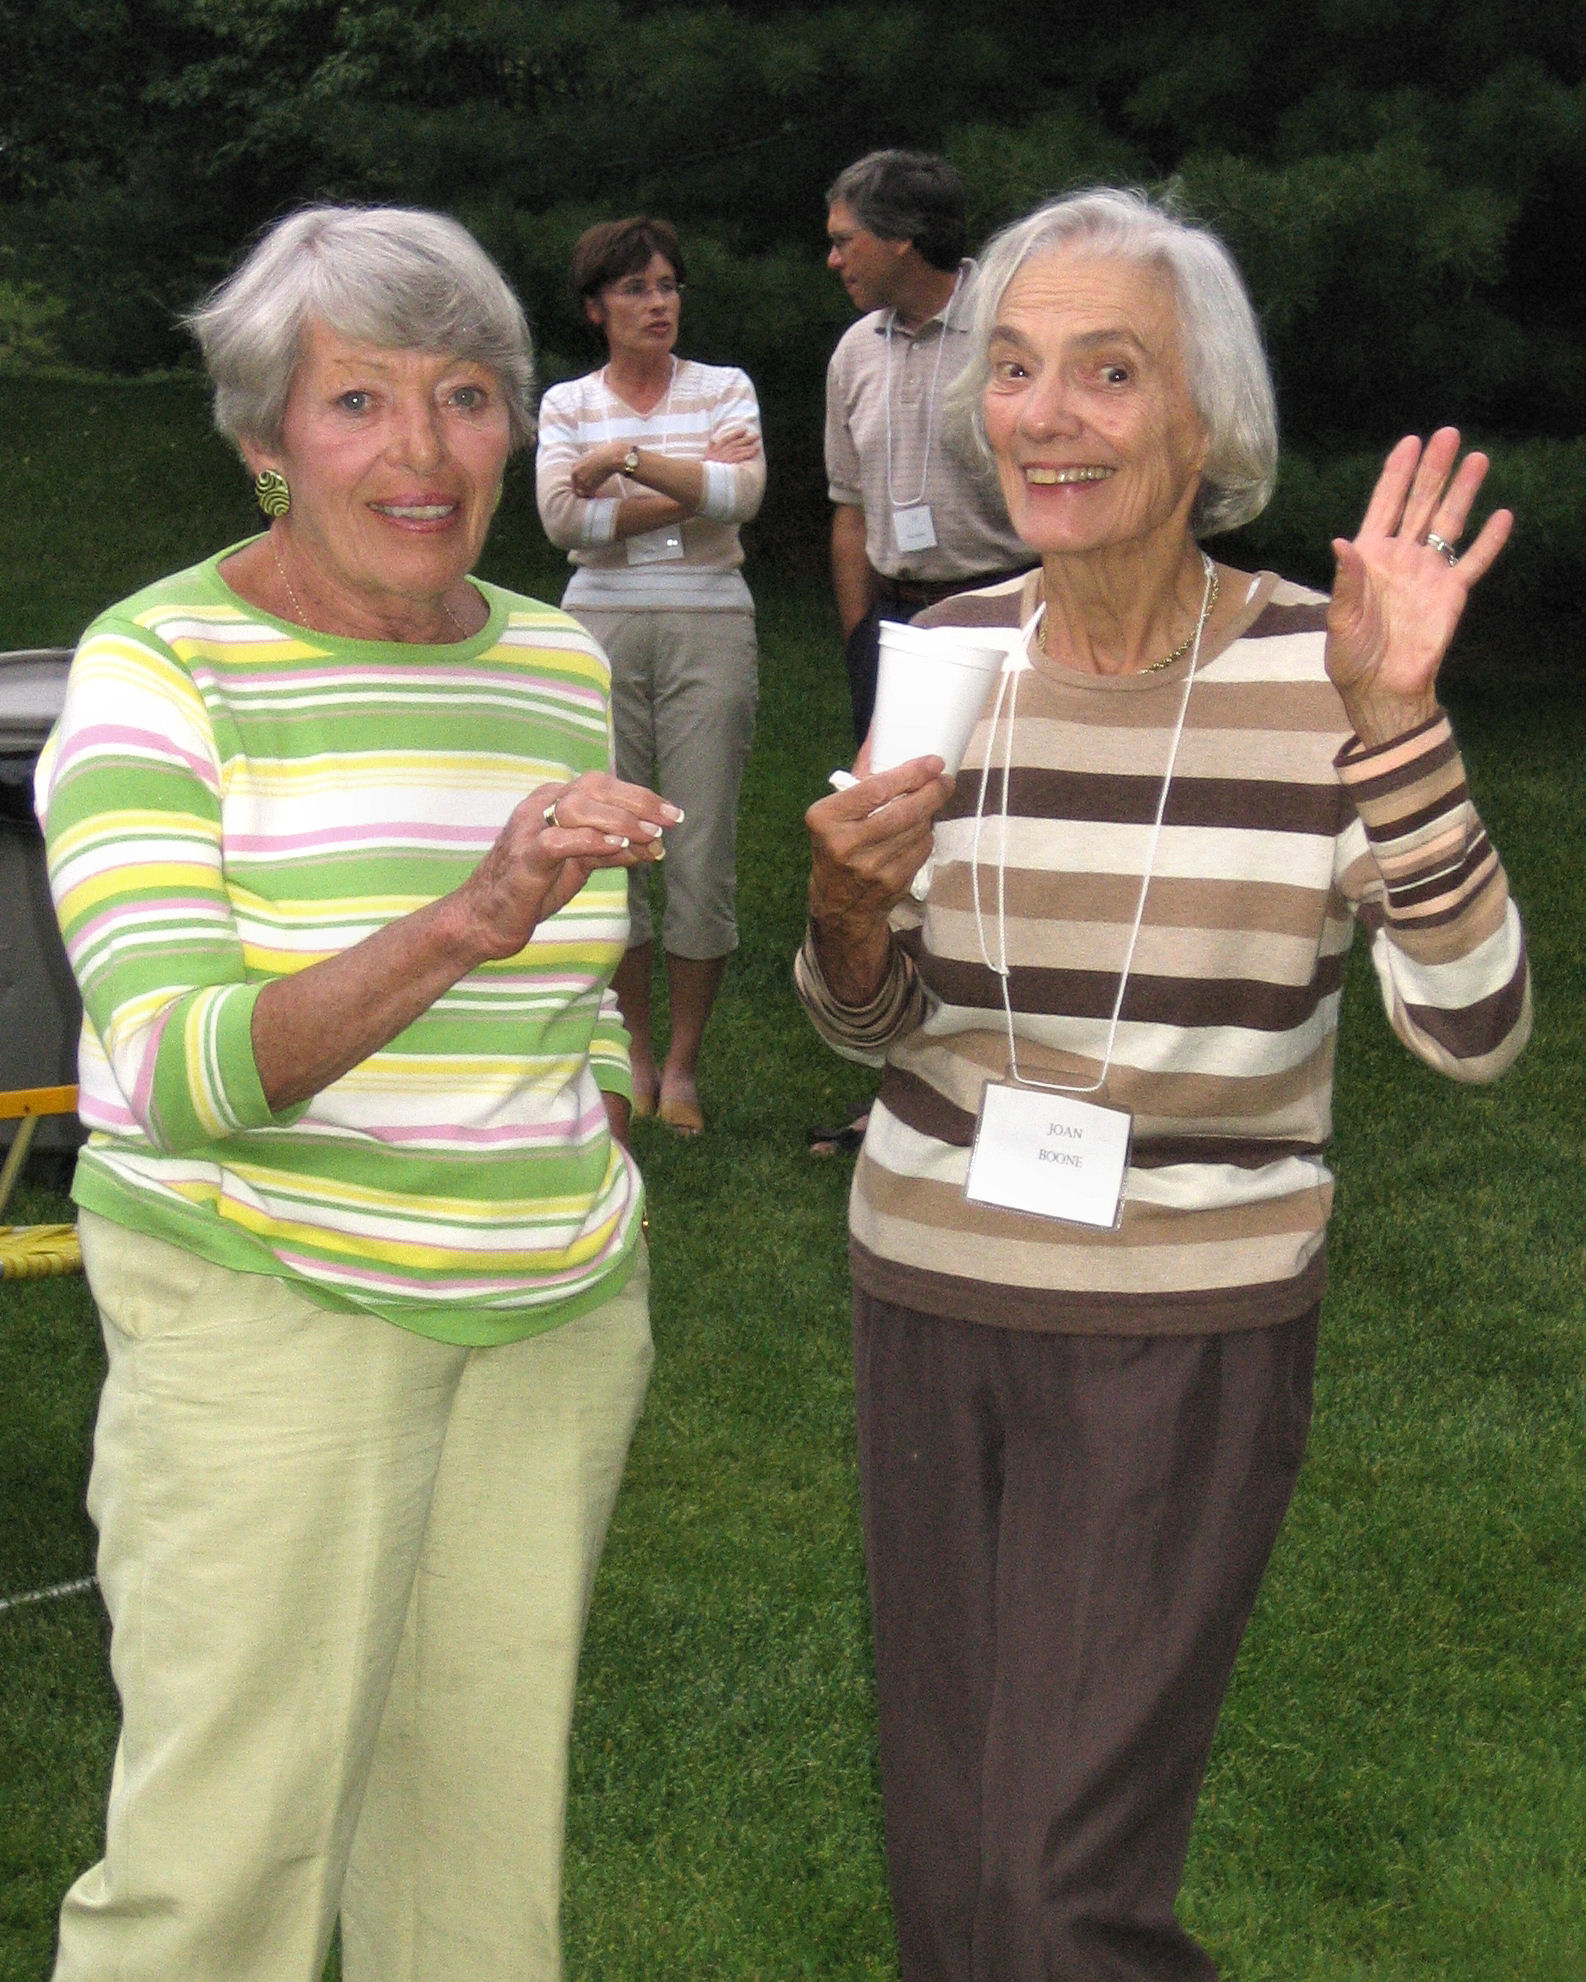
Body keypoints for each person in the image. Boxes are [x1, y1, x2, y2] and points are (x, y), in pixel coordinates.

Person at [797, 188, 1529, 1982]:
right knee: (954, 1867)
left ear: (1208, 424)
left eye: (1109, 372)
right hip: (930, 1290)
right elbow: (872, 1022)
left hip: (1178, 1332)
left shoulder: (1321, 671)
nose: (1047, 416)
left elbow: (1476, 1023)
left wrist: (1399, 727)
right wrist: (841, 916)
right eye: (1018, 370)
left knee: (1059, 1887)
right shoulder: (946, 651)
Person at [37, 204, 675, 1982]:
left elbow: (585, 967)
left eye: (468, 395)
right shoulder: (161, 668)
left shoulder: (555, 659)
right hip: (269, 1314)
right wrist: (469, 918)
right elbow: (171, 1068)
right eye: (358, 402)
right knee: (221, 1865)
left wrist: (599, 1092)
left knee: (479, 1867)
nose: (422, 451)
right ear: (264, 440)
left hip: (549, 1321)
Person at [536, 217, 765, 1135]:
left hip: (712, 619)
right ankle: (629, 1052)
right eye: (635, 289)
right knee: (613, 845)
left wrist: (625, 463)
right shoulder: (567, 404)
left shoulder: (725, 387)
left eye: (668, 286)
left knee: (698, 850)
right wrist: (688, 482)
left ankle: (682, 1066)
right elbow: (562, 522)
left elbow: (743, 499)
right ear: (597, 308)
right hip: (599, 629)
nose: (658, 303)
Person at [824, 150, 1034, 751]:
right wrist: (861, 638)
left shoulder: (1009, 332)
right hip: (894, 623)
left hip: (1010, 610)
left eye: (845, 240)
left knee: (1004, 795)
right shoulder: (855, 351)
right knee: (894, 805)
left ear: (900, 238)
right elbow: (850, 506)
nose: (833, 260)